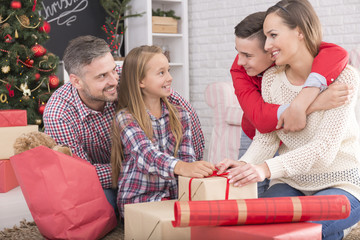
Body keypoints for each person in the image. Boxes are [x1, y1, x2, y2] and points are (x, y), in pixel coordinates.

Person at [217, 0, 360, 239]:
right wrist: (243, 165)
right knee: (258, 227)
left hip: (341, 183)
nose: (268, 45)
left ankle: (337, 226)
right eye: (266, 37)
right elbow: (267, 138)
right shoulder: (272, 79)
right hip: (291, 182)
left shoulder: (345, 77)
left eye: (273, 35)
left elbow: (323, 150)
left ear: (300, 31)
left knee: (302, 232)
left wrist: (264, 169)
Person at [43, 36, 205, 214]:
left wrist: (192, 167)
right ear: (76, 81)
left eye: (113, 70)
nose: (114, 80)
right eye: (102, 76)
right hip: (114, 180)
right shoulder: (59, 114)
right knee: (97, 207)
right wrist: (133, 166)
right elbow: (82, 175)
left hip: (157, 170)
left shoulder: (128, 78)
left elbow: (177, 106)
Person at [231, 11, 351, 196]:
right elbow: (262, 123)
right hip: (259, 130)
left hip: (318, 161)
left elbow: (337, 52)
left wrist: (303, 102)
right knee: (256, 195)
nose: (240, 61)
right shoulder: (245, 72)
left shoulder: (291, 57)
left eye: (247, 55)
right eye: (239, 53)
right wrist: (311, 104)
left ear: (271, 51)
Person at [110, 45, 215, 217]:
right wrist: (183, 167)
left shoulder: (180, 114)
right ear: (140, 81)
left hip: (173, 198)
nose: (170, 78)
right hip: (139, 200)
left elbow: (187, 158)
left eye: (169, 70)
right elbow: (147, 155)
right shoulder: (126, 118)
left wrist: (199, 173)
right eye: (161, 73)